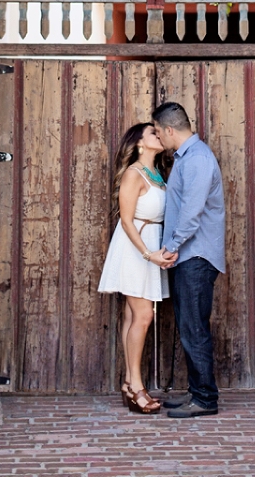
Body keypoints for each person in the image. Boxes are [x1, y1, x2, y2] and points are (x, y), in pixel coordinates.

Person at [152, 102, 225, 418]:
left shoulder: (197, 159)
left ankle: (206, 400)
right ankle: (197, 392)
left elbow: (191, 213)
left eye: (157, 131)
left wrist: (170, 247)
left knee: (194, 327)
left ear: (169, 129)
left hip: (196, 256)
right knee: (189, 325)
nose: (158, 137)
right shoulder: (187, 158)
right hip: (189, 255)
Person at [98, 123, 176, 413]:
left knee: (133, 314)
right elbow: (127, 219)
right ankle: (136, 385)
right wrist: (147, 254)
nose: (159, 136)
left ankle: (129, 384)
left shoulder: (157, 174)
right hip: (135, 249)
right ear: (141, 144)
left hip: (150, 247)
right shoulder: (134, 174)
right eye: (153, 134)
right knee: (143, 316)